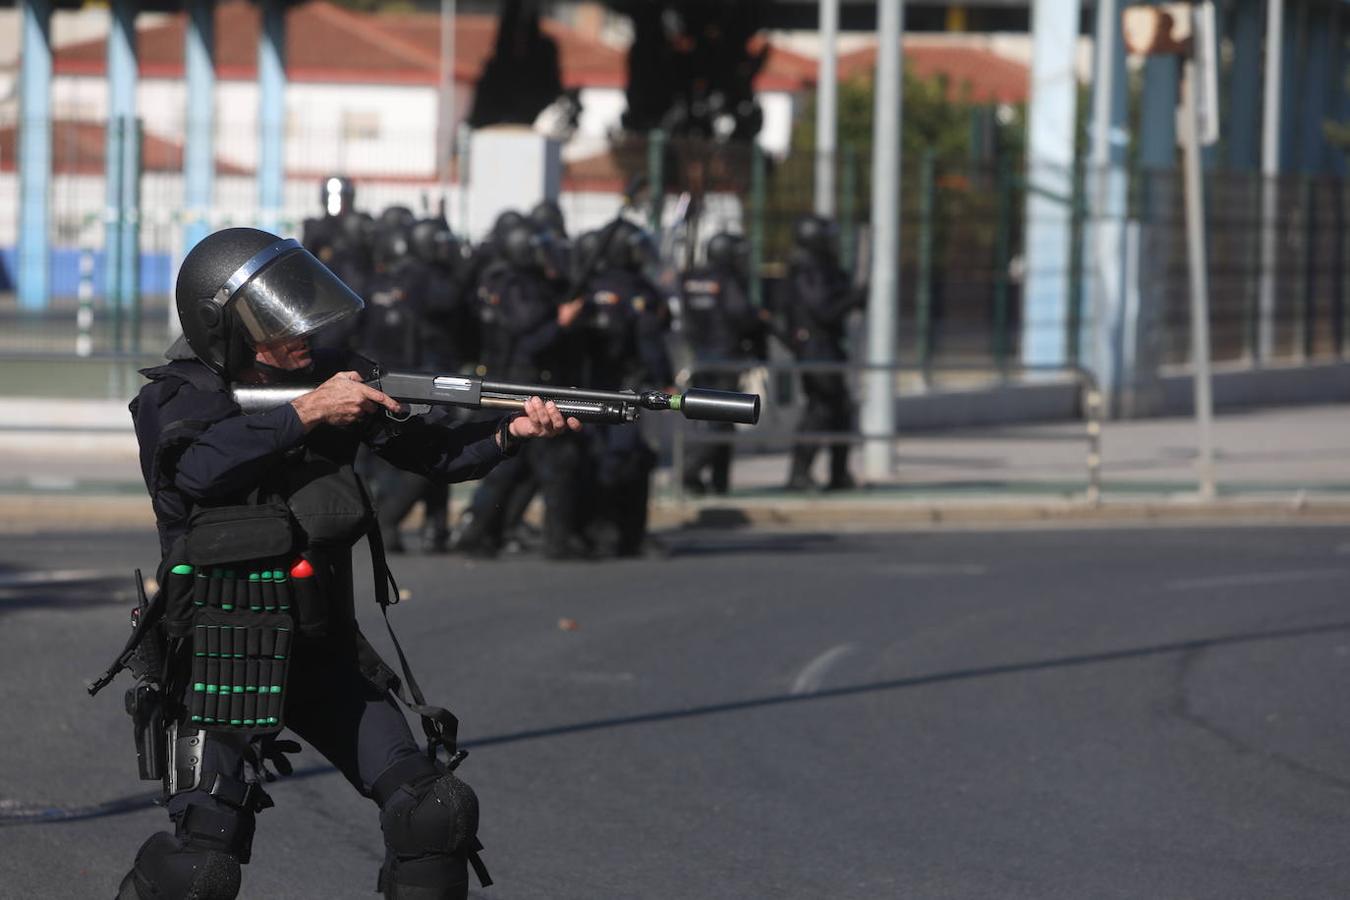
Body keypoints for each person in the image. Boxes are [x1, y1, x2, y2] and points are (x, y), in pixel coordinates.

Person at [115, 227, 580, 899]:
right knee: (202, 870)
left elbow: (436, 456)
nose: (301, 329)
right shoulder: (176, 397)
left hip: (318, 648)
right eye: (278, 321)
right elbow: (195, 473)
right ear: (226, 328)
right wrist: (308, 411)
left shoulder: (333, 381)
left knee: (434, 812)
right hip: (220, 661)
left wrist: (512, 432)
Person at [578, 219, 672, 556]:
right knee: (628, 458)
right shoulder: (638, 289)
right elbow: (650, 338)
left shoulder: (586, 286)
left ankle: (598, 531)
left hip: (585, 388)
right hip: (623, 387)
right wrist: (665, 378)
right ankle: (625, 534)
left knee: (601, 457)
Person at [777, 213, 862, 491]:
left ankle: (839, 475)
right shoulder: (807, 269)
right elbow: (823, 310)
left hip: (827, 348)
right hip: (816, 350)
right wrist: (854, 298)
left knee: (840, 411)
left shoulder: (823, 267)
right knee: (821, 411)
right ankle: (798, 474)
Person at [678, 231, 763, 495]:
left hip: (701, 357)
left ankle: (719, 481)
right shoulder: (726, 280)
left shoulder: (692, 279)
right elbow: (741, 314)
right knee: (722, 420)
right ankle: (690, 472)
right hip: (725, 358)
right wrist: (759, 323)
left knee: (714, 418)